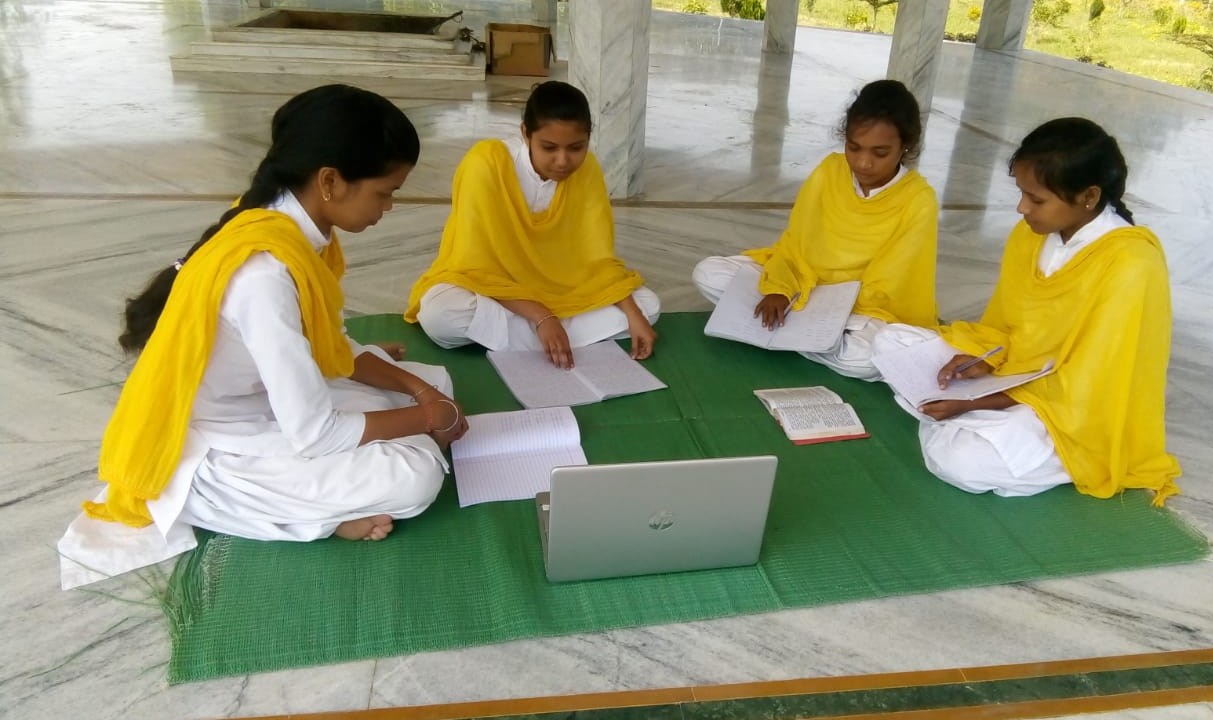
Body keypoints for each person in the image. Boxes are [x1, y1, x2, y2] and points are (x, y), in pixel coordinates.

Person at [58, 85, 467, 589]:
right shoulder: (265, 273)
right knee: (416, 476)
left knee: (436, 381)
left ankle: (328, 494)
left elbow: (330, 348)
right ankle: (269, 509)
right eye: (385, 192)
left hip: (266, 402)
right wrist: (426, 417)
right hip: (219, 444)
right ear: (331, 182)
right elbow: (317, 434)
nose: (389, 207)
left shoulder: (292, 230)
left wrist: (421, 393)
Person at [873, 117, 1181, 503]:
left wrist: (976, 401)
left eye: (1036, 199)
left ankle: (973, 426)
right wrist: (982, 359)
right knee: (889, 340)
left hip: (1073, 414)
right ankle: (969, 421)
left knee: (959, 461)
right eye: (1022, 193)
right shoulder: (1031, 234)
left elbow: (1086, 388)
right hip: (1012, 377)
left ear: (1088, 196)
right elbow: (1006, 325)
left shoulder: (1130, 264)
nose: (1022, 208)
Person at [404, 81, 660, 369]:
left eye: (576, 147)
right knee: (440, 314)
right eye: (549, 147)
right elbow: (476, 266)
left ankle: (531, 338)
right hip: (495, 290)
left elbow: (597, 259)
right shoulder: (486, 164)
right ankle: (553, 334)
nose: (563, 161)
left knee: (648, 306)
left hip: (566, 291)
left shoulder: (587, 170)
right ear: (525, 133)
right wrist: (542, 317)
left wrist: (632, 313)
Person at [692, 79, 938, 379]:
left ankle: (789, 337)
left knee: (864, 358)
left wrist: (829, 312)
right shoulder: (830, 170)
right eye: (853, 147)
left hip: (859, 306)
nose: (863, 162)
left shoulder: (919, 199)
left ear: (906, 146)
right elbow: (796, 242)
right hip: (803, 281)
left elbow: (893, 281)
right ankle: (807, 339)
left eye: (880, 153)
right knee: (709, 273)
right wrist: (781, 289)